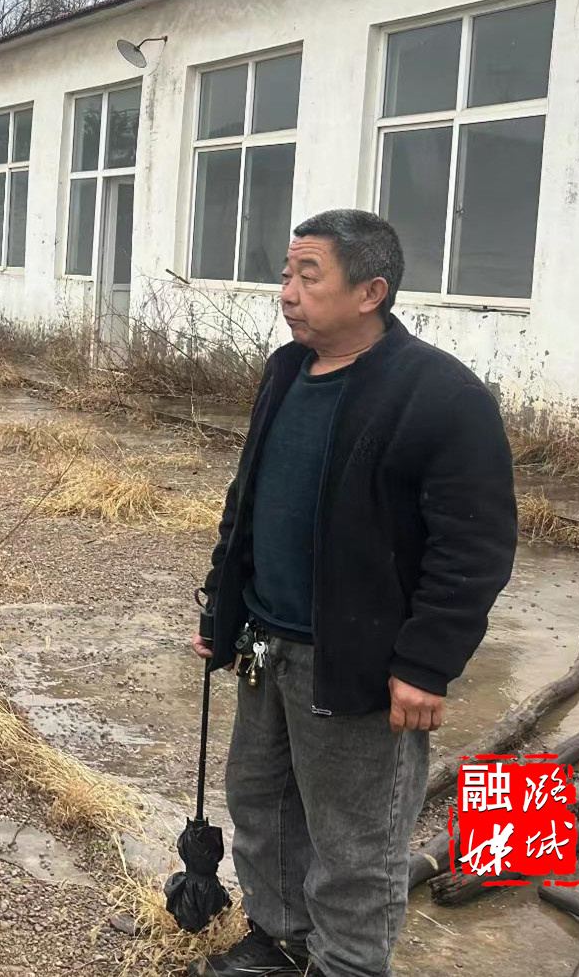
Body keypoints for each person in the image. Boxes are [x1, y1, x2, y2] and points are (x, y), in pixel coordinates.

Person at [188, 209, 517, 977]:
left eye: (309, 276)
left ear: (371, 291)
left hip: (356, 661)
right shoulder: (285, 372)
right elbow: (248, 500)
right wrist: (221, 606)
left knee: (354, 839)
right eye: (286, 274)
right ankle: (280, 940)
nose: (287, 292)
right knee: (262, 803)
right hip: (266, 643)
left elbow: (474, 545)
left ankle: (348, 966)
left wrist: (426, 663)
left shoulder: (438, 394)